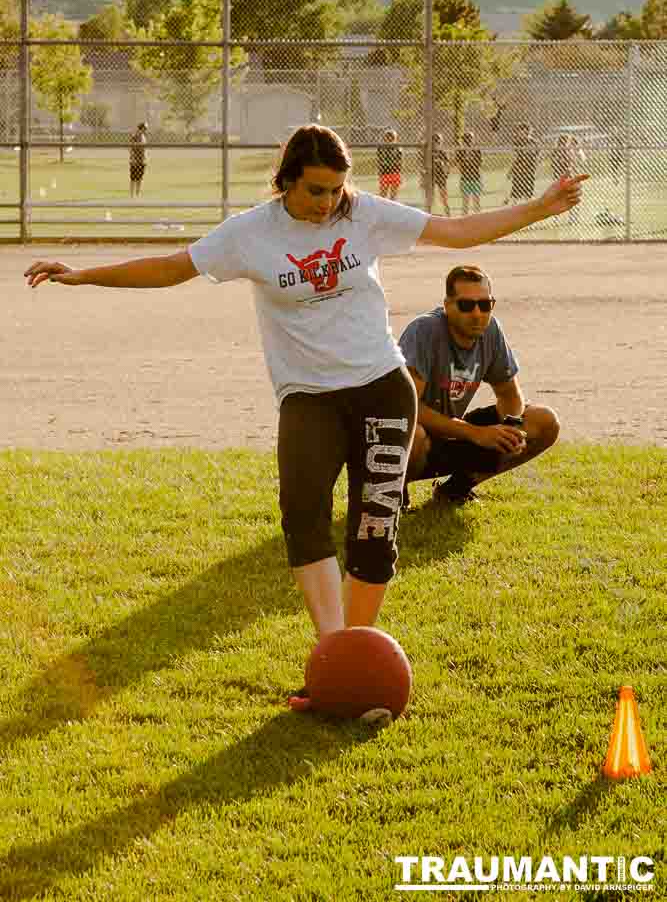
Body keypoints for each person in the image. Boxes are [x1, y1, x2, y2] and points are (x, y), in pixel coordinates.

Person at [24, 124, 586, 711]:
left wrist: (538, 208)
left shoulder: (363, 214)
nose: (327, 203)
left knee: (374, 525)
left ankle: (347, 660)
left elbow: (455, 231)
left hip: (381, 388)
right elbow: (171, 267)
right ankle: (336, 656)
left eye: (337, 190)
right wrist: (82, 274)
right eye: (315, 190)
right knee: (302, 513)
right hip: (308, 395)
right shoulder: (251, 234)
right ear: (287, 179)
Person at [399, 264, 560, 507]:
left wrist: (511, 428)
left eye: (485, 305)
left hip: (452, 432)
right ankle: (395, 494)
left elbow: (510, 394)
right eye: (466, 305)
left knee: (544, 420)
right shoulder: (424, 331)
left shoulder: (491, 330)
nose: (477, 313)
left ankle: (455, 490)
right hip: (414, 438)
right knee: (415, 434)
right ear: (447, 305)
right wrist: (476, 433)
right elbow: (408, 408)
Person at [418, 133, 450, 216]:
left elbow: (447, 164)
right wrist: (423, 177)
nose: (437, 143)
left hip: (441, 175)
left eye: (438, 141)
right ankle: (428, 213)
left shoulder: (442, 152)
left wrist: (446, 174)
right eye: (435, 141)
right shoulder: (427, 151)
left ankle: (447, 213)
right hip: (430, 175)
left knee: (444, 196)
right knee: (430, 197)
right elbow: (422, 165)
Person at [508, 122, 540, 203]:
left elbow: (537, 156)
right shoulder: (516, 143)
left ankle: (529, 209)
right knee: (516, 193)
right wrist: (511, 171)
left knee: (528, 193)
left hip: (529, 170)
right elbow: (514, 158)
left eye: (525, 131)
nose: (521, 133)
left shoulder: (534, 142)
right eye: (519, 131)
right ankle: (514, 209)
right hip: (519, 171)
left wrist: (535, 165)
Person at [455, 131, 483, 215]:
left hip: (475, 177)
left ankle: (478, 218)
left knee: (476, 201)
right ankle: (464, 218)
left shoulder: (476, 150)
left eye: (469, 139)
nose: (468, 142)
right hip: (465, 178)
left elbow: (479, 163)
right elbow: (459, 164)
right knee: (465, 201)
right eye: (466, 140)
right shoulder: (461, 151)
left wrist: (468, 163)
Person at [377, 128, 402, 200]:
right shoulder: (382, 148)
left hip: (395, 172)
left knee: (393, 196)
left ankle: (392, 205)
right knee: (383, 195)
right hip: (385, 173)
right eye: (387, 137)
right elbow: (380, 160)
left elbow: (399, 161)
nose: (389, 139)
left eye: (392, 137)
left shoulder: (397, 148)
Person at [129, 122, 148, 197]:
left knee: (140, 178)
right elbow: (130, 148)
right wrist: (133, 158)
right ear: (141, 128)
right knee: (133, 178)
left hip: (142, 160)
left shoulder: (144, 136)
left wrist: (145, 158)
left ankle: (137, 194)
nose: (146, 130)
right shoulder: (135, 136)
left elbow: (144, 149)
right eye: (144, 128)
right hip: (135, 160)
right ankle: (132, 195)